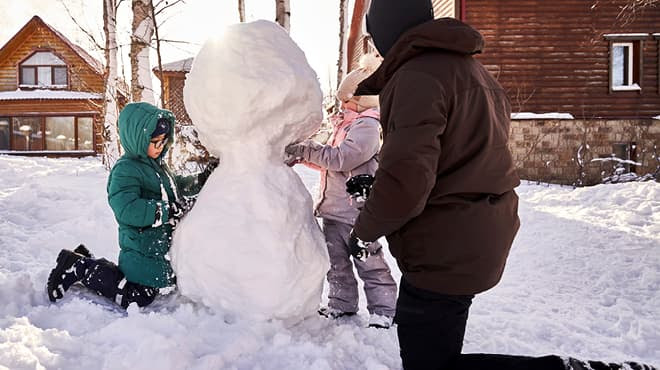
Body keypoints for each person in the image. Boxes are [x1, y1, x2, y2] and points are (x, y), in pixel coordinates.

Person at [46, 102, 216, 309]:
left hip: (156, 245)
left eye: (164, 141)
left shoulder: (158, 166)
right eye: (155, 141)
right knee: (137, 296)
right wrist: (164, 211)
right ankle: (78, 267)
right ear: (138, 138)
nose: (160, 146)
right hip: (141, 246)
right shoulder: (126, 170)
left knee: (153, 285)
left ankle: (87, 261)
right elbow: (127, 208)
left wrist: (200, 179)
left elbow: (177, 186)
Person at [285, 55, 398, 329]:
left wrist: (306, 149)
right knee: (336, 262)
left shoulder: (368, 126)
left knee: (368, 262)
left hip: (357, 213)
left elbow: (343, 158)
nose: (342, 104)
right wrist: (303, 157)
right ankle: (342, 304)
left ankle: (384, 310)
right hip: (334, 211)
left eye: (346, 99)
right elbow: (332, 165)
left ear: (362, 100)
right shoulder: (347, 125)